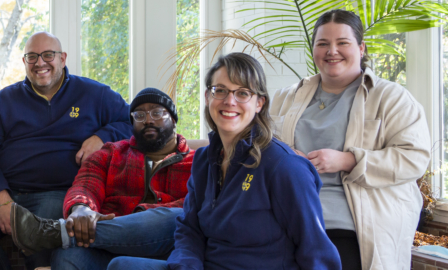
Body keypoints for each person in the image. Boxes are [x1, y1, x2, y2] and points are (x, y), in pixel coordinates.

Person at [108, 53, 341, 269]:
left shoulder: (284, 167)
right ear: (208, 97)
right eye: (220, 90)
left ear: (259, 103)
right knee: (120, 266)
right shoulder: (203, 161)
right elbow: (190, 230)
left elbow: (317, 251)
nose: (230, 101)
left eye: (242, 93)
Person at [0, 31, 133, 270]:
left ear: (63, 58)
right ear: (24, 62)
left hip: (56, 191)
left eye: (48, 55)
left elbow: (132, 121)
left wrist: (102, 137)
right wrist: (1, 198)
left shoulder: (94, 94)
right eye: (32, 57)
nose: (40, 63)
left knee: (47, 236)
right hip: (2, 187)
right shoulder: (5, 100)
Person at [269, 9, 430, 269]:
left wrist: (349, 160)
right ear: (313, 50)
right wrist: (286, 157)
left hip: (351, 227)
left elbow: (414, 158)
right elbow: (260, 147)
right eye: (323, 44)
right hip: (287, 220)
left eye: (342, 43)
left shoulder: (392, 98)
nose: (332, 51)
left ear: (361, 47)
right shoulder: (285, 97)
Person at [8, 88, 194, 269]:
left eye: (157, 113)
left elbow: (196, 207)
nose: (147, 120)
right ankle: (64, 234)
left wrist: (141, 219)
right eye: (139, 115)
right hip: (109, 250)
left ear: (174, 119)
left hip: (167, 251)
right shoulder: (111, 153)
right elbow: (86, 184)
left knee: (179, 216)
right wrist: (82, 208)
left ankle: (59, 232)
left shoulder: (198, 162)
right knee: (67, 255)